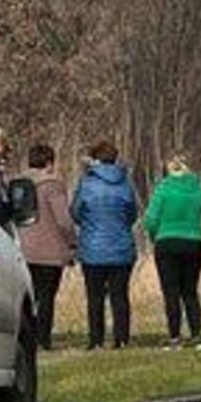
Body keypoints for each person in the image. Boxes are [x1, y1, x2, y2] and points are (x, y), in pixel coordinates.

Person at [72, 141, 140, 350]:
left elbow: (75, 212)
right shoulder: (125, 183)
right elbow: (132, 214)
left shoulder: (86, 183)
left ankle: (96, 340)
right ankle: (121, 338)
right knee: (120, 296)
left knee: (95, 297)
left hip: (93, 249)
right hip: (121, 248)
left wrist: (89, 225)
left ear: (95, 159)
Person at [143, 153, 201, 349]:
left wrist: (156, 237)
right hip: (193, 242)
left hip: (167, 242)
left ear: (168, 170)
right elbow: (199, 212)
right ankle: (196, 334)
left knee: (171, 291)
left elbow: (150, 220)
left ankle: (174, 337)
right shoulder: (198, 190)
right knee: (190, 291)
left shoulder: (163, 190)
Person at [18, 143, 77, 351]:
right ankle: (43, 339)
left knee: (27, 298)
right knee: (46, 298)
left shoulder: (18, 184)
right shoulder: (52, 185)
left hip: (23, 249)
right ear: (50, 163)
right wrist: (72, 243)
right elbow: (63, 221)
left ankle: (25, 339)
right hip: (49, 252)